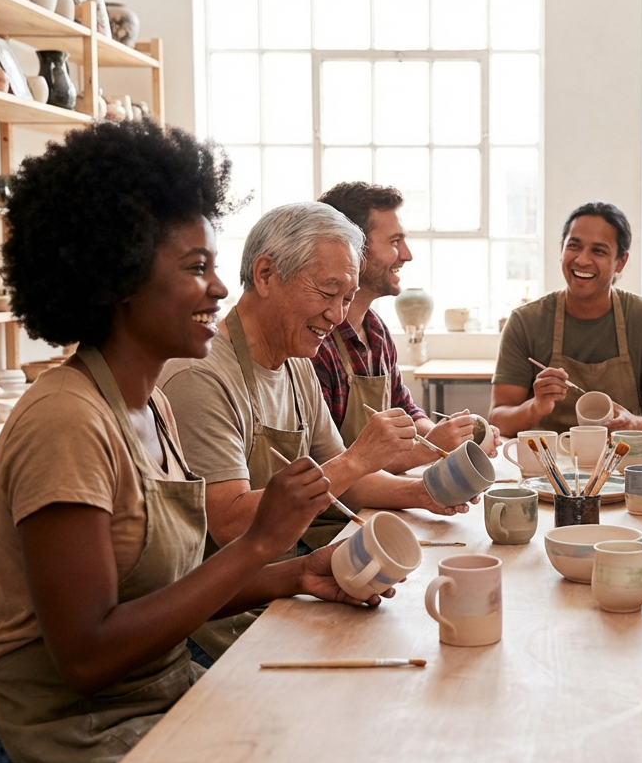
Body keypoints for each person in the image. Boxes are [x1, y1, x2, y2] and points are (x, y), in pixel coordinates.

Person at [0, 121, 377, 763]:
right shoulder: (67, 422)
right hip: (65, 734)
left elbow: (175, 585)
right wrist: (264, 543)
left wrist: (297, 573)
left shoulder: (149, 404)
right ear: (121, 277)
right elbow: (88, 656)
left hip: (153, 703)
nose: (220, 289)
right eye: (196, 268)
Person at [159, 202, 471, 663]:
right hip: (221, 622)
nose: (339, 315)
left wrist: (420, 493)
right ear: (265, 275)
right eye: (328, 291)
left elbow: (348, 481)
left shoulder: (297, 364)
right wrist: (357, 459)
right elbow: (228, 525)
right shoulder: (201, 376)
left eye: (348, 297)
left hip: (288, 582)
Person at [314, 181, 500, 472]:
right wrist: (435, 448)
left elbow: (407, 411)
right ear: (352, 249)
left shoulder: (376, 330)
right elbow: (336, 467)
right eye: (394, 242)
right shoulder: (317, 343)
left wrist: (451, 433)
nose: (407, 254)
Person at [490, 201, 642, 437]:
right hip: (546, 465)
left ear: (621, 262)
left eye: (598, 251)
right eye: (574, 246)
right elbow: (498, 419)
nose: (581, 260)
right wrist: (535, 407)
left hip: (619, 461)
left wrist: (634, 424)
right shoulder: (525, 321)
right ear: (561, 249)